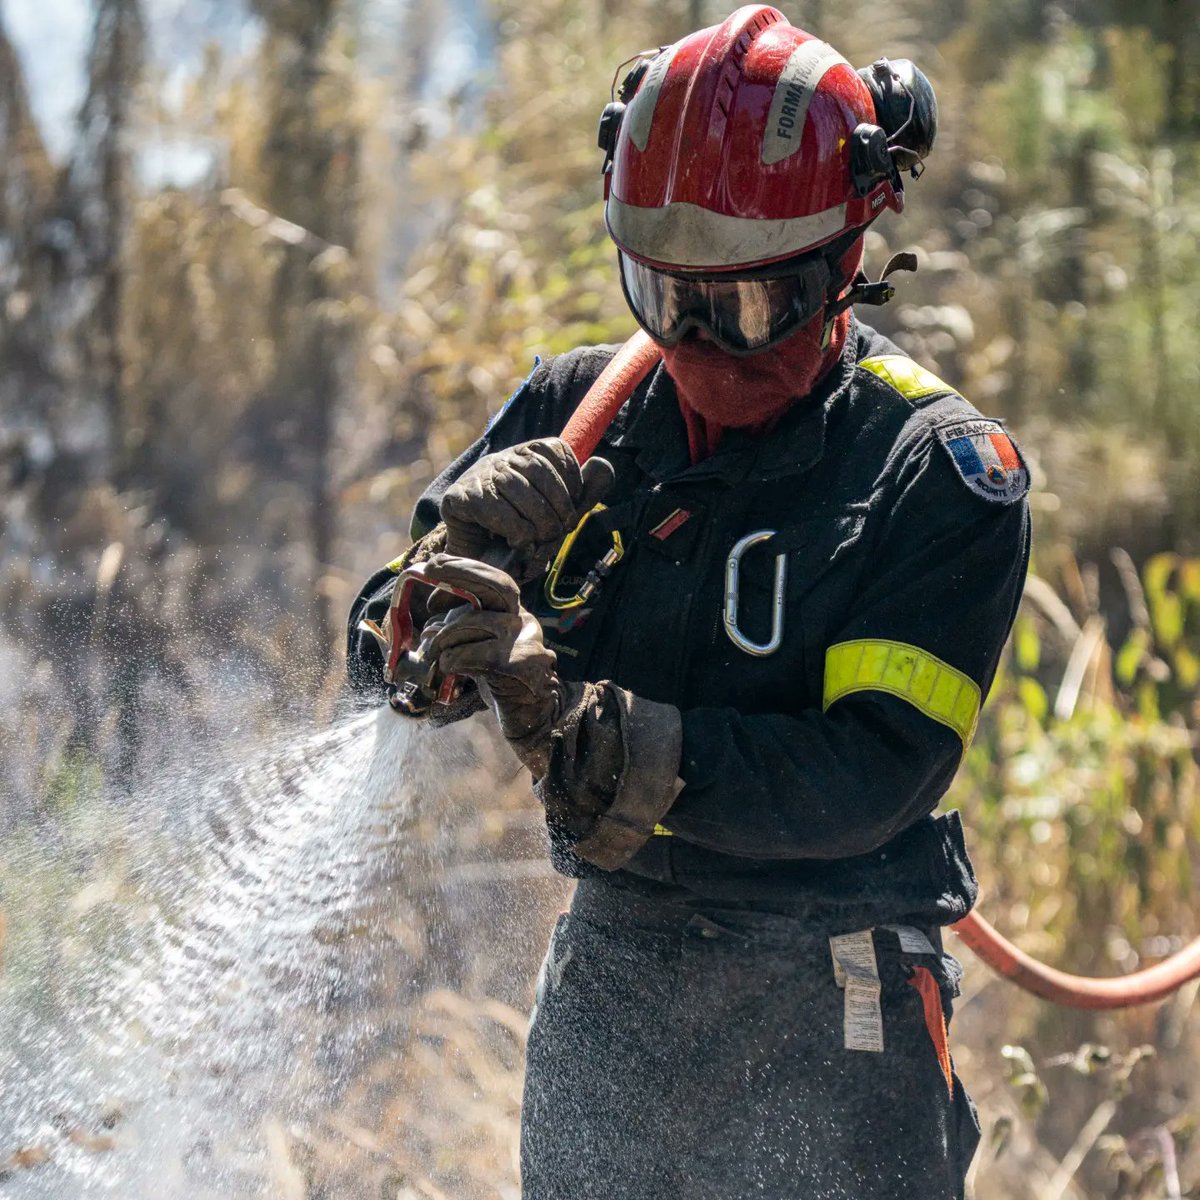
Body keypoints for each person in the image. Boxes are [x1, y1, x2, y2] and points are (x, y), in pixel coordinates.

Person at [348, 7, 1030, 1196]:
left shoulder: (934, 472)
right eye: (669, 300)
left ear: (848, 260)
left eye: (752, 310)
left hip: (834, 994)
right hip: (617, 985)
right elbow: (380, 670)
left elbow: (865, 777)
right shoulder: (575, 409)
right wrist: (433, 597)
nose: (705, 346)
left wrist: (570, 725)